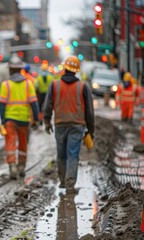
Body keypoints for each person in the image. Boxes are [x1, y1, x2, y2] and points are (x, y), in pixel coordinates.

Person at [43, 55, 94, 193]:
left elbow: (47, 106)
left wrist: (47, 122)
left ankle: (62, 181)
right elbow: (89, 111)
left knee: (61, 154)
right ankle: (70, 183)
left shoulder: (54, 85)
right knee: (72, 154)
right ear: (76, 70)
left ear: (64, 68)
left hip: (60, 124)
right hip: (77, 126)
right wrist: (91, 130)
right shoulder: (83, 87)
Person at [0, 54, 39, 180]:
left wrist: (3, 120)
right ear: (20, 69)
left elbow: (1, 105)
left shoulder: (5, 85)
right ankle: (21, 167)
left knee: (10, 143)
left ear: (10, 70)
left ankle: (12, 167)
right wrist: (36, 119)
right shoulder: (28, 84)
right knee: (23, 144)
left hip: (10, 120)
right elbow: (34, 104)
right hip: (24, 120)